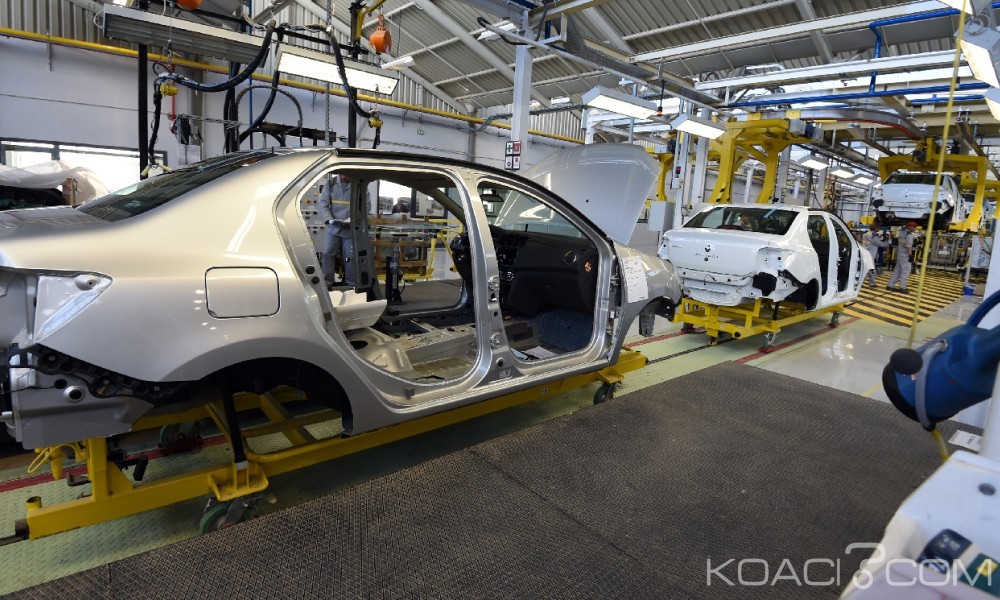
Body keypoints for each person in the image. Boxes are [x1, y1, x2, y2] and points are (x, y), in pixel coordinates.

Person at [319, 173, 355, 288]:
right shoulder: (330, 184)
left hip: (350, 228)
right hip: (333, 227)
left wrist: (354, 218)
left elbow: (366, 205)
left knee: (350, 256)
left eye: (347, 174)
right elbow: (323, 204)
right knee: (327, 253)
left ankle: (352, 284)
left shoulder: (357, 184)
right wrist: (329, 219)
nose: (345, 177)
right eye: (342, 174)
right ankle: (327, 283)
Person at [887, 221, 917, 293]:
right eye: (913, 227)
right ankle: (902, 287)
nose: (914, 228)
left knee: (897, 271)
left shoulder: (902, 232)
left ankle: (890, 285)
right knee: (905, 272)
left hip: (900, 255)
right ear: (909, 227)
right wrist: (910, 255)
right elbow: (909, 247)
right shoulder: (909, 235)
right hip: (905, 256)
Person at [861, 219, 889, 287]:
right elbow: (881, 244)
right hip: (870, 255)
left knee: (868, 269)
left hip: (865, 253)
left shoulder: (866, 234)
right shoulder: (873, 235)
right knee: (871, 269)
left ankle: (866, 283)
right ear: (875, 228)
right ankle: (870, 283)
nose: (879, 228)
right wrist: (888, 242)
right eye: (878, 227)